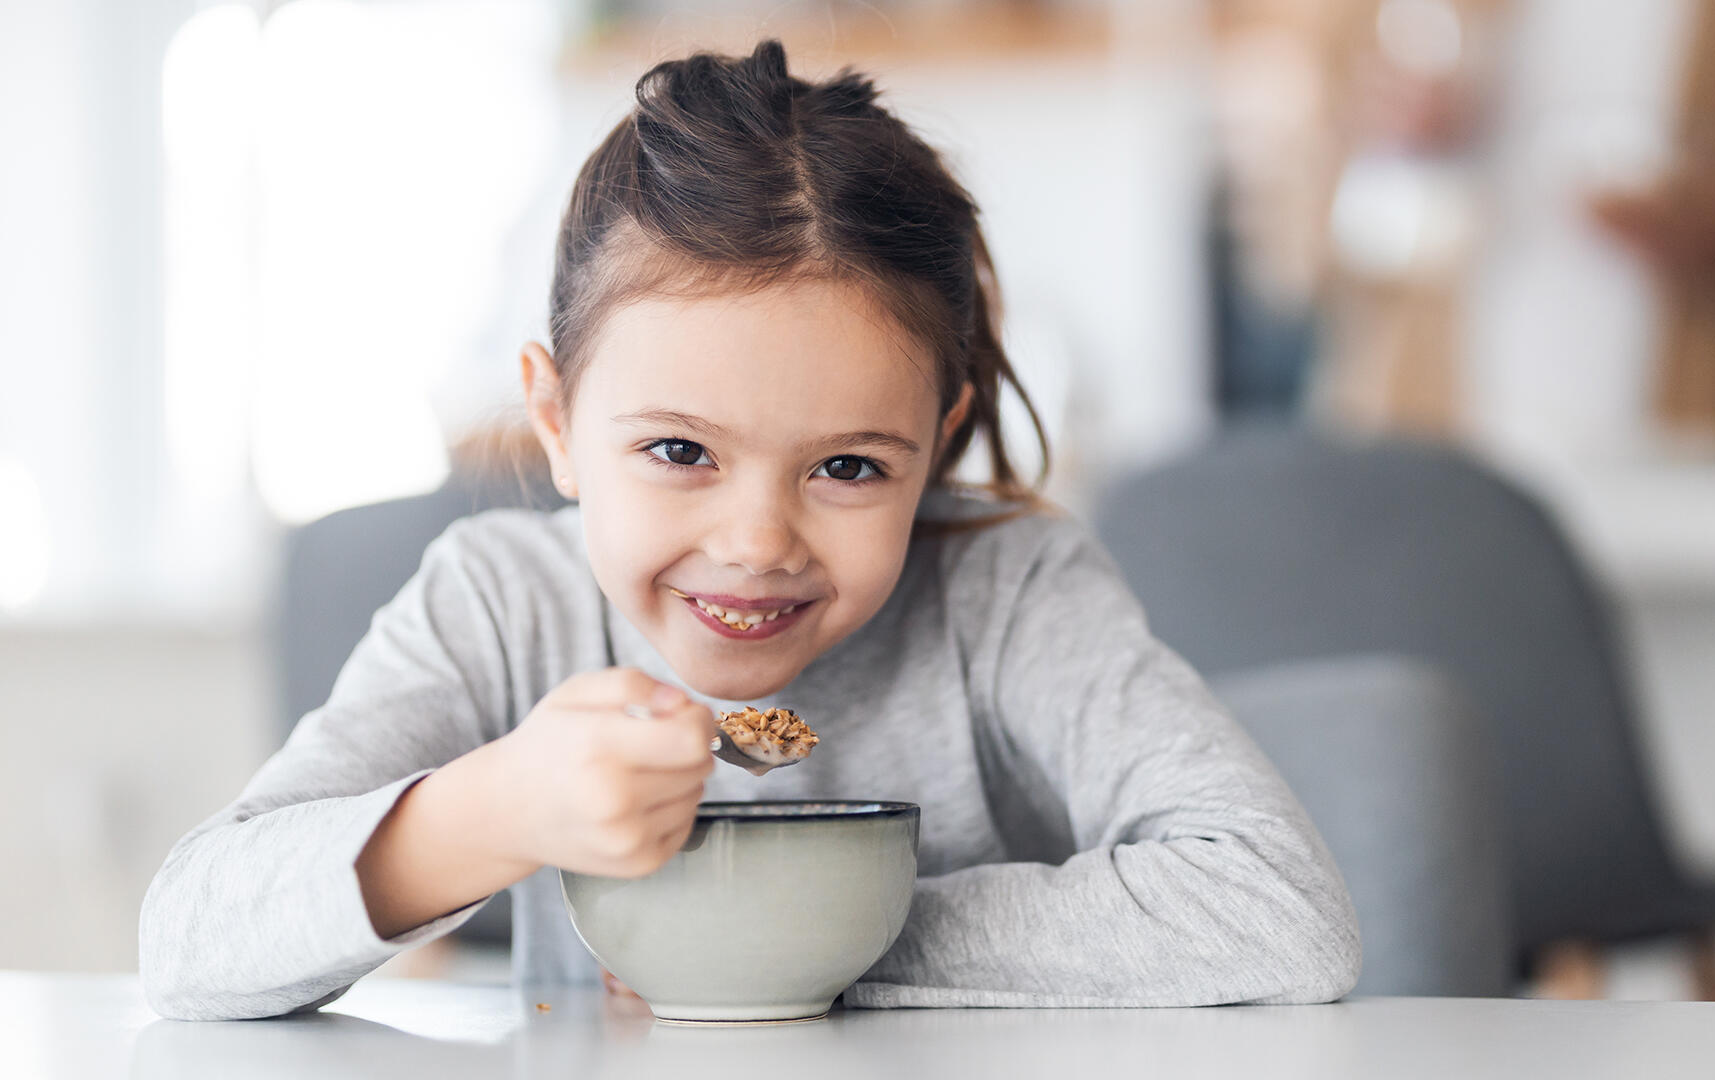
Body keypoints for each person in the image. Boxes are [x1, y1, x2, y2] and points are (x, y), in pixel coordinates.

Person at [138, 39, 1360, 1021]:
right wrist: (494, 807)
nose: (758, 542)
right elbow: (191, 937)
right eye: (680, 453)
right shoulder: (498, 605)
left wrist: (781, 943)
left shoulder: (1013, 593)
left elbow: (1274, 905)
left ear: (937, 442)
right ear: (557, 421)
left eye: (845, 467)